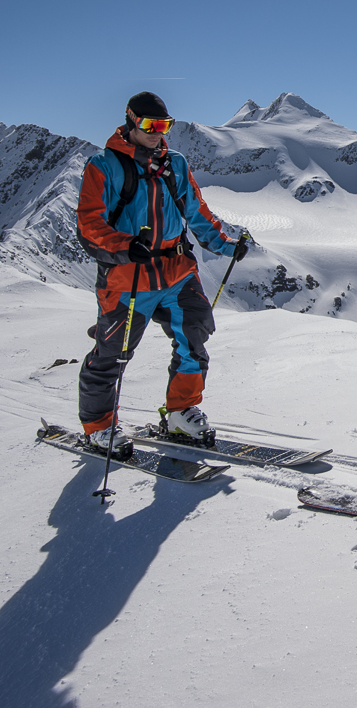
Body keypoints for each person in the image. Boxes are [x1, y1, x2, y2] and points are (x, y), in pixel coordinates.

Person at [74, 92, 249, 453]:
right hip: (128, 276)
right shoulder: (104, 165)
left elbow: (197, 212)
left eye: (164, 125)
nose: (158, 133)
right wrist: (122, 246)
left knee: (194, 335)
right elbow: (89, 224)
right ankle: (99, 426)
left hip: (176, 270)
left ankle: (181, 412)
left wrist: (226, 245)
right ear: (131, 122)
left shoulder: (175, 164)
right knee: (113, 353)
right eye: (150, 125)